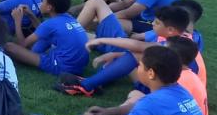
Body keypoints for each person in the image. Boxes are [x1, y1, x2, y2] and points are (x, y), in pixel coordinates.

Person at [30, 37, 209, 115]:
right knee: (121, 111)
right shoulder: (178, 81)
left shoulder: (161, 96)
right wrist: (113, 111)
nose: (137, 67)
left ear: (152, 72)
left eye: (141, 66)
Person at [58, 6, 194, 97]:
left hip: (169, 92)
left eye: (157, 23)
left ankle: (87, 86)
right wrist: (114, 54)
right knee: (134, 55)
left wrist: (101, 40)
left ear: (170, 29)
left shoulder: (173, 45)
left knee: (136, 55)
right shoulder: (183, 38)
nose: (153, 24)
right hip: (171, 86)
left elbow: (137, 46)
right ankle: (93, 82)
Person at [4, 0, 89, 76]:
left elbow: (22, 44)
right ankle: (32, 54)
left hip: (62, 67)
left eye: (43, 1)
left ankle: (29, 57)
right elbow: (43, 30)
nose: (41, 3)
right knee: (45, 38)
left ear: (49, 8)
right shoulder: (70, 18)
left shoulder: (50, 24)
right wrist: (31, 15)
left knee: (9, 46)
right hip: (79, 67)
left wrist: (17, 21)